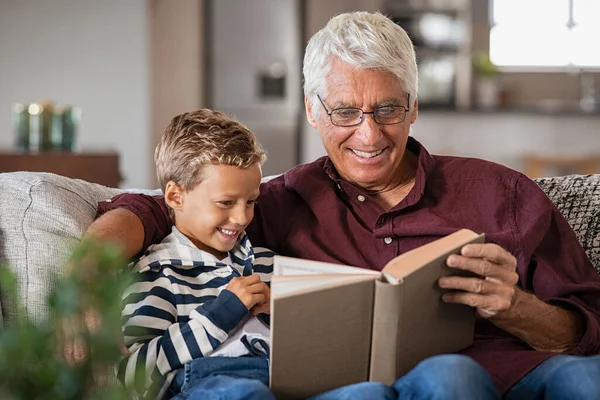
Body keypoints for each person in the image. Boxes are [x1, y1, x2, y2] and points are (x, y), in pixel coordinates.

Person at [84, 12, 600, 399]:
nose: (369, 134)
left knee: (584, 380)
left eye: (388, 109)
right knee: (450, 377)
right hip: (384, 385)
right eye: (346, 111)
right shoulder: (277, 203)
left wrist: (516, 308)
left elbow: (587, 325)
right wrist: (82, 273)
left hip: (520, 369)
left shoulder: (502, 192)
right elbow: (166, 209)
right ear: (312, 109)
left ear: (414, 106)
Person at [117, 109, 395, 400]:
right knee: (245, 393)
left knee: (371, 393)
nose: (241, 217)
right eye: (226, 202)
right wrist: (221, 314)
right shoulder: (157, 272)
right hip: (210, 384)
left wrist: (281, 315)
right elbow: (134, 377)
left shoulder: (268, 262)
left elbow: (315, 344)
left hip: (281, 381)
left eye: (250, 202)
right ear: (176, 196)